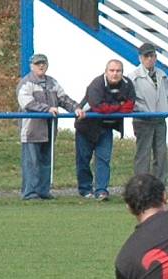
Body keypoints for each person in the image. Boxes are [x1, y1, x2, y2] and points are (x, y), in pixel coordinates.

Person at [16, 53, 84, 201]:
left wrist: (76, 108)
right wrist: (47, 109)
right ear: (31, 66)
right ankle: (29, 193)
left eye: (43, 63)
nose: (41, 66)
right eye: (38, 63)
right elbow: (27, 103)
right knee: (31, 162)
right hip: (31, 130)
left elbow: (63, 99)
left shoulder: (53, 83)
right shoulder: (26, 83)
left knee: (46, 161)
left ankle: (43, 191)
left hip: (49, 129)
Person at [74, 59, 136, 201]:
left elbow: (130, 106)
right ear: (106, 71)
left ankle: (102, 191)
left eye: (118, 71)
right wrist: (118, 106)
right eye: (112, 70)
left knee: (104, 159)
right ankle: (85, 189)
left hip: (106, 127)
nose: (115, 74)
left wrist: (111, 108)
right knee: (83, 160)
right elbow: (98, 107)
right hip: (86, 127)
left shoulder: (127, 84)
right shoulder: (96, 84)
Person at [129, 43, 168, 184]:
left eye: (152, 56)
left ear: (156, 57)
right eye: (146, 56)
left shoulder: (162, 75)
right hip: (142, 121)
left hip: (160, 120)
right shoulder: (133, 77)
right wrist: (142, 111)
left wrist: (166, 110)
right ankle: (141, 188)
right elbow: (130, 99)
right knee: (143, 155)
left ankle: (160, 188)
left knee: (161, 155)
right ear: (140, 58)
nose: (149, 59)